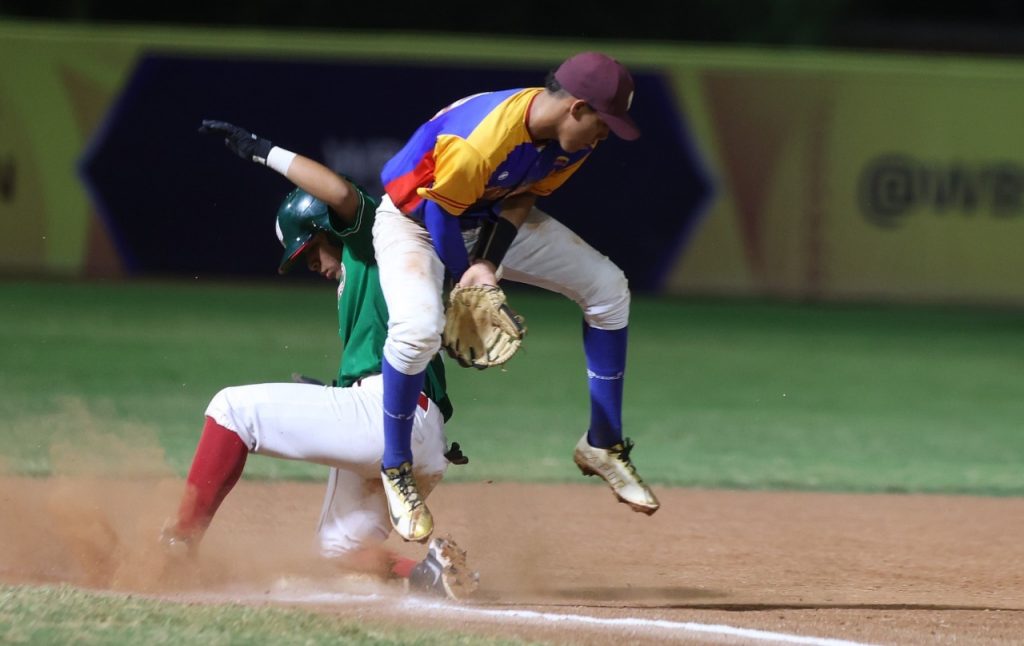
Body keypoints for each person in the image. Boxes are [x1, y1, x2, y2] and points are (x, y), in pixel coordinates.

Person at [158, 120, 478, 600]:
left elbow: (338, 190)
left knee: (231, 410)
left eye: (311, 251)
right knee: (336, 555)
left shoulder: (371, 241)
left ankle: (177, 546)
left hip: (392, 415)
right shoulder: (365, 280)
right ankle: (430, 572)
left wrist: (264, 152)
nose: (315, 266)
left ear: (330, 228)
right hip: (417, 435)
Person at [373, 51, 660, 543]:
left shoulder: (573, 140)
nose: (605, 134)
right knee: (417, 330)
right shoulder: (481, 139)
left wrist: (486, 263)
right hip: (415, 222)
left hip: (481, 218)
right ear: (576, 108)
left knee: (608, 288)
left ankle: (603, 443)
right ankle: (396, 466)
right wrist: (467, 282)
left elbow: (521, 198)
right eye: (603, 122)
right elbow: (440, 213)